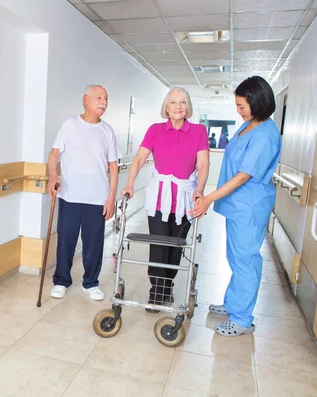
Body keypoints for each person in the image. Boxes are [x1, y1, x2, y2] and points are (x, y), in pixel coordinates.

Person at [190, 76, 281, 337]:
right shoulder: (249, 126)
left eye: (242, 105)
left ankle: (242, 319)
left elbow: (243, 176)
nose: (238, 110)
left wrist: (208, 198)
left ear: (258, 102)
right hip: (237, 205)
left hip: (249, 207)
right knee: (235, 258)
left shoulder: (265, 135)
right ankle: (233, 304)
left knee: (245, 261)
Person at [121, 87, 209, 308]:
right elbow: (140, 159)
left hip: (186, 199)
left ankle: (167, 286)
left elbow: (203, 164)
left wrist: (199, 190)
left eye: (182, 102)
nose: (178, 107)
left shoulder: (198, 131)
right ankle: (157, 291)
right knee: (159, 244)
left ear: (188, 107)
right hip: (160, 197)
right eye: (173, 103)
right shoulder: (155, 130)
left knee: (177, 246)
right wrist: (130, 184)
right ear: (166, 108)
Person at [47, 84, 121, 301]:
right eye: (99, 97)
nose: (104, 102)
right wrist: (53, 176)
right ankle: (61, 280)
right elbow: (54, 155)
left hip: (97, 198)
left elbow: (114, 167)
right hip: (70, 195)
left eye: (106, 98)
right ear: (85, 100)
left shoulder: (107, 131)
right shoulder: (69, 125)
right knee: (65, 241)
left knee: (94, 243)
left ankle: (91, 283)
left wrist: (111, 198)